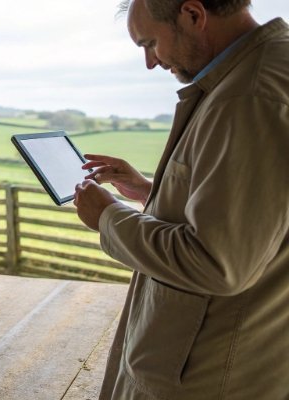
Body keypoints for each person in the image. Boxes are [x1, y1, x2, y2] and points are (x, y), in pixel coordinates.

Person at [72, 0, 289, 398]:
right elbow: (253, 211)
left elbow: (217, 263)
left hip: (211, 373)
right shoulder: (256, 73)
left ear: (193, 14)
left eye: (150, 43)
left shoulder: (250, 95)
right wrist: (151, 192)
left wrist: (108, 217)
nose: (151, 62)